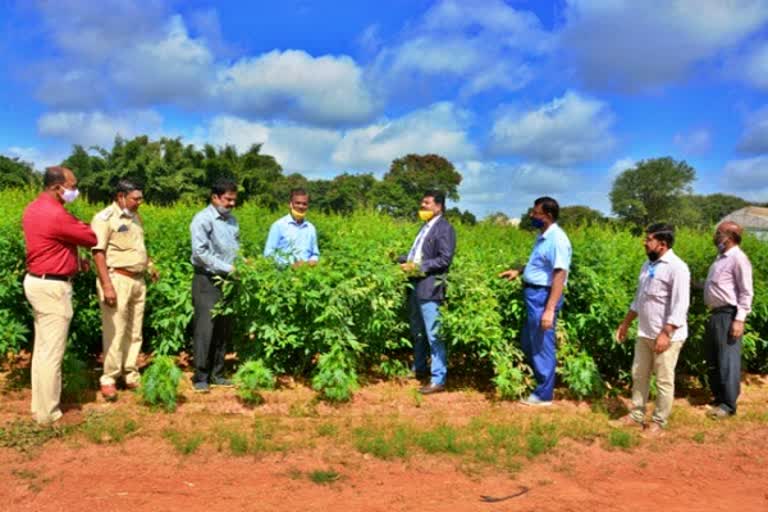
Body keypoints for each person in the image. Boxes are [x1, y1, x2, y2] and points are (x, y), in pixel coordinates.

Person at [22, 166, 97, 424]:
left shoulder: (33, 209)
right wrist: (79, 224)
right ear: (58, 187)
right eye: (72, 186)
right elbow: (90, 236)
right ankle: (49, 414)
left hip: (36, 281)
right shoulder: (56, 214)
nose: (75, 190)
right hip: (53, 288)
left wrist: (74, 260)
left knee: (42, 350)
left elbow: (53, 245)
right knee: (52, 353)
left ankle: (39, 406)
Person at [615, 223, 690, 434]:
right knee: (639, 374)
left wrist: (666, 333)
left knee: (664, 380)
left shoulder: (678, 267)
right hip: (645, 332)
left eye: (649, 240)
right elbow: (638, 300)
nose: (644, 243)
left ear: (662, 244)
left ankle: (658, 422)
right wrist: (626, 323)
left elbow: (680, 305)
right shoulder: (647, 265)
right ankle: (636, 414)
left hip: (667, 336)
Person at [499, 197, 571, 406]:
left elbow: (559, 275)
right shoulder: (544, 236)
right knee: (531, 342)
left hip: (543, 297)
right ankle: (538, 385)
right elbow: (540, 265)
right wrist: (518, 271)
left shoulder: (557, 239)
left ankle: (544, 395)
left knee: (542, 345)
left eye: (536, 213)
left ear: (548, 216)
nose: (532, 216)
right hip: (535, 295)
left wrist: (549, 310)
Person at [91, 180, 158, 401]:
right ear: (121, 196)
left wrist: (149, 266)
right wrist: (107, 285)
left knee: (134, 331)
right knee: (115, 331)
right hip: (117, 279)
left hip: (138, 281)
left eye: (140, 198)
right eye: (135, 198)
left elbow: (138, 246)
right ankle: (109, 378)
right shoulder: (104, 219)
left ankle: (130, 373)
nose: (140, 202)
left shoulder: (135, 217)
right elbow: (98, 253)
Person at [398, 190, 456, 394]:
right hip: (415, 286)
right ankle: (419, 368)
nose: (422, 206)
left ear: (438, 206)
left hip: (430, 288)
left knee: (434, 334)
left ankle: (438, 379)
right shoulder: (425, 228)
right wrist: (402, 258)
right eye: (422, 203)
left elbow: (444, 259)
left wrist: (417, 267)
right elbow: (419, 254)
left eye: (427, 203)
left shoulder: (444, 229)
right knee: (418, 332)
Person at [190, 178, 240, 393]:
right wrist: (227, 268)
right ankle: (200, 377)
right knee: (205, 328)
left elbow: (234, 247)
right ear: (215, 197)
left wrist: (241, 262)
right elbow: (200, 254)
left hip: (227, 280)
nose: (231, 204)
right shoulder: (202, 219)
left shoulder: (232, 221)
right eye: (228, 199)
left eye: (234, 200)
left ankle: (218, 374)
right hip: (207, 280)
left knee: (222, 327)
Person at [703, 221, 753, 419]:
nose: (715, 235)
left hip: (728, 315)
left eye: (719, 232)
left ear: (729, 237)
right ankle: (718, 397)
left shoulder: (738, 259)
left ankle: (728, 404)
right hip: (716, 314)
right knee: (714, 358)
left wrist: (739, 319)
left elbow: (746, 291)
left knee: (727, 361)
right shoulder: (720, 258)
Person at [263, 188, 319, 267]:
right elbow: (268, 255)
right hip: (284, 275)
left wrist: (313, 260)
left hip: (306, 275)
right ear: (290, 204)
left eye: (304, 204)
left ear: (307, 206)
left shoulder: (311, 228)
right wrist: (289, 265)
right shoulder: (279, 225)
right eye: (297, 203)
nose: (301, 206)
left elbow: (315, 254)